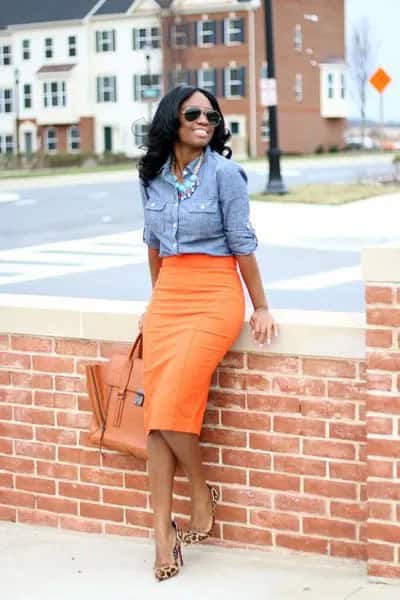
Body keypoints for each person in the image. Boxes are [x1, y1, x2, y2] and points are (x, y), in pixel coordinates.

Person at [137, 85, 278, 582]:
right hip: (169, 297)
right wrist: (156, 304)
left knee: (170, 403)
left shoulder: (226, 175)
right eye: (193, 113)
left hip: (216, 292)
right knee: (159, 417)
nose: (204, 120)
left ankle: (199, 491)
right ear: (169, 120)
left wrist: (260, 305)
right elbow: (154, 246)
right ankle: (162, 535)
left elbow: (242, 244)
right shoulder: (151, 177)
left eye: (211, 115)